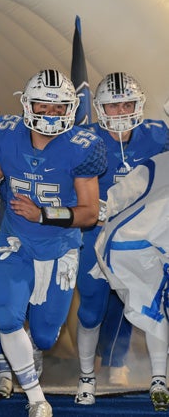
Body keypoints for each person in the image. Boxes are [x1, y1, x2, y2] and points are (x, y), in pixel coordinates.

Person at [0, 69, 107, 417]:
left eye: (58, 107)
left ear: (71, 108)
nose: (50, 114)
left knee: (46, 336)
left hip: (59, 248)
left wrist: (43, 215)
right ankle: (36, 398)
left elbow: (90, 213)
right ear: (26, 103)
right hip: (15, 242)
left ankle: (31, 351)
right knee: (6, 315)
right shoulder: (6, 134)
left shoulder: (82, 146)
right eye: (42, 106)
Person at [75, 72, 169, 405]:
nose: (121, 112)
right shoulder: (84, 140)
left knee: (139, 299)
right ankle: (87, 375)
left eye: (127, 104)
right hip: (96, 233)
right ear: (100, 109)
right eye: (113, 106)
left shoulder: (158, 135)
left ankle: (120, 361)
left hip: (138, 239)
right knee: (91, 309)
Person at [94, 151, 169, 411]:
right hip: (152, 246)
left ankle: (159, 376)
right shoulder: (159, 163)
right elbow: (117, 198)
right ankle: (158, 377)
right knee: (155, 307)